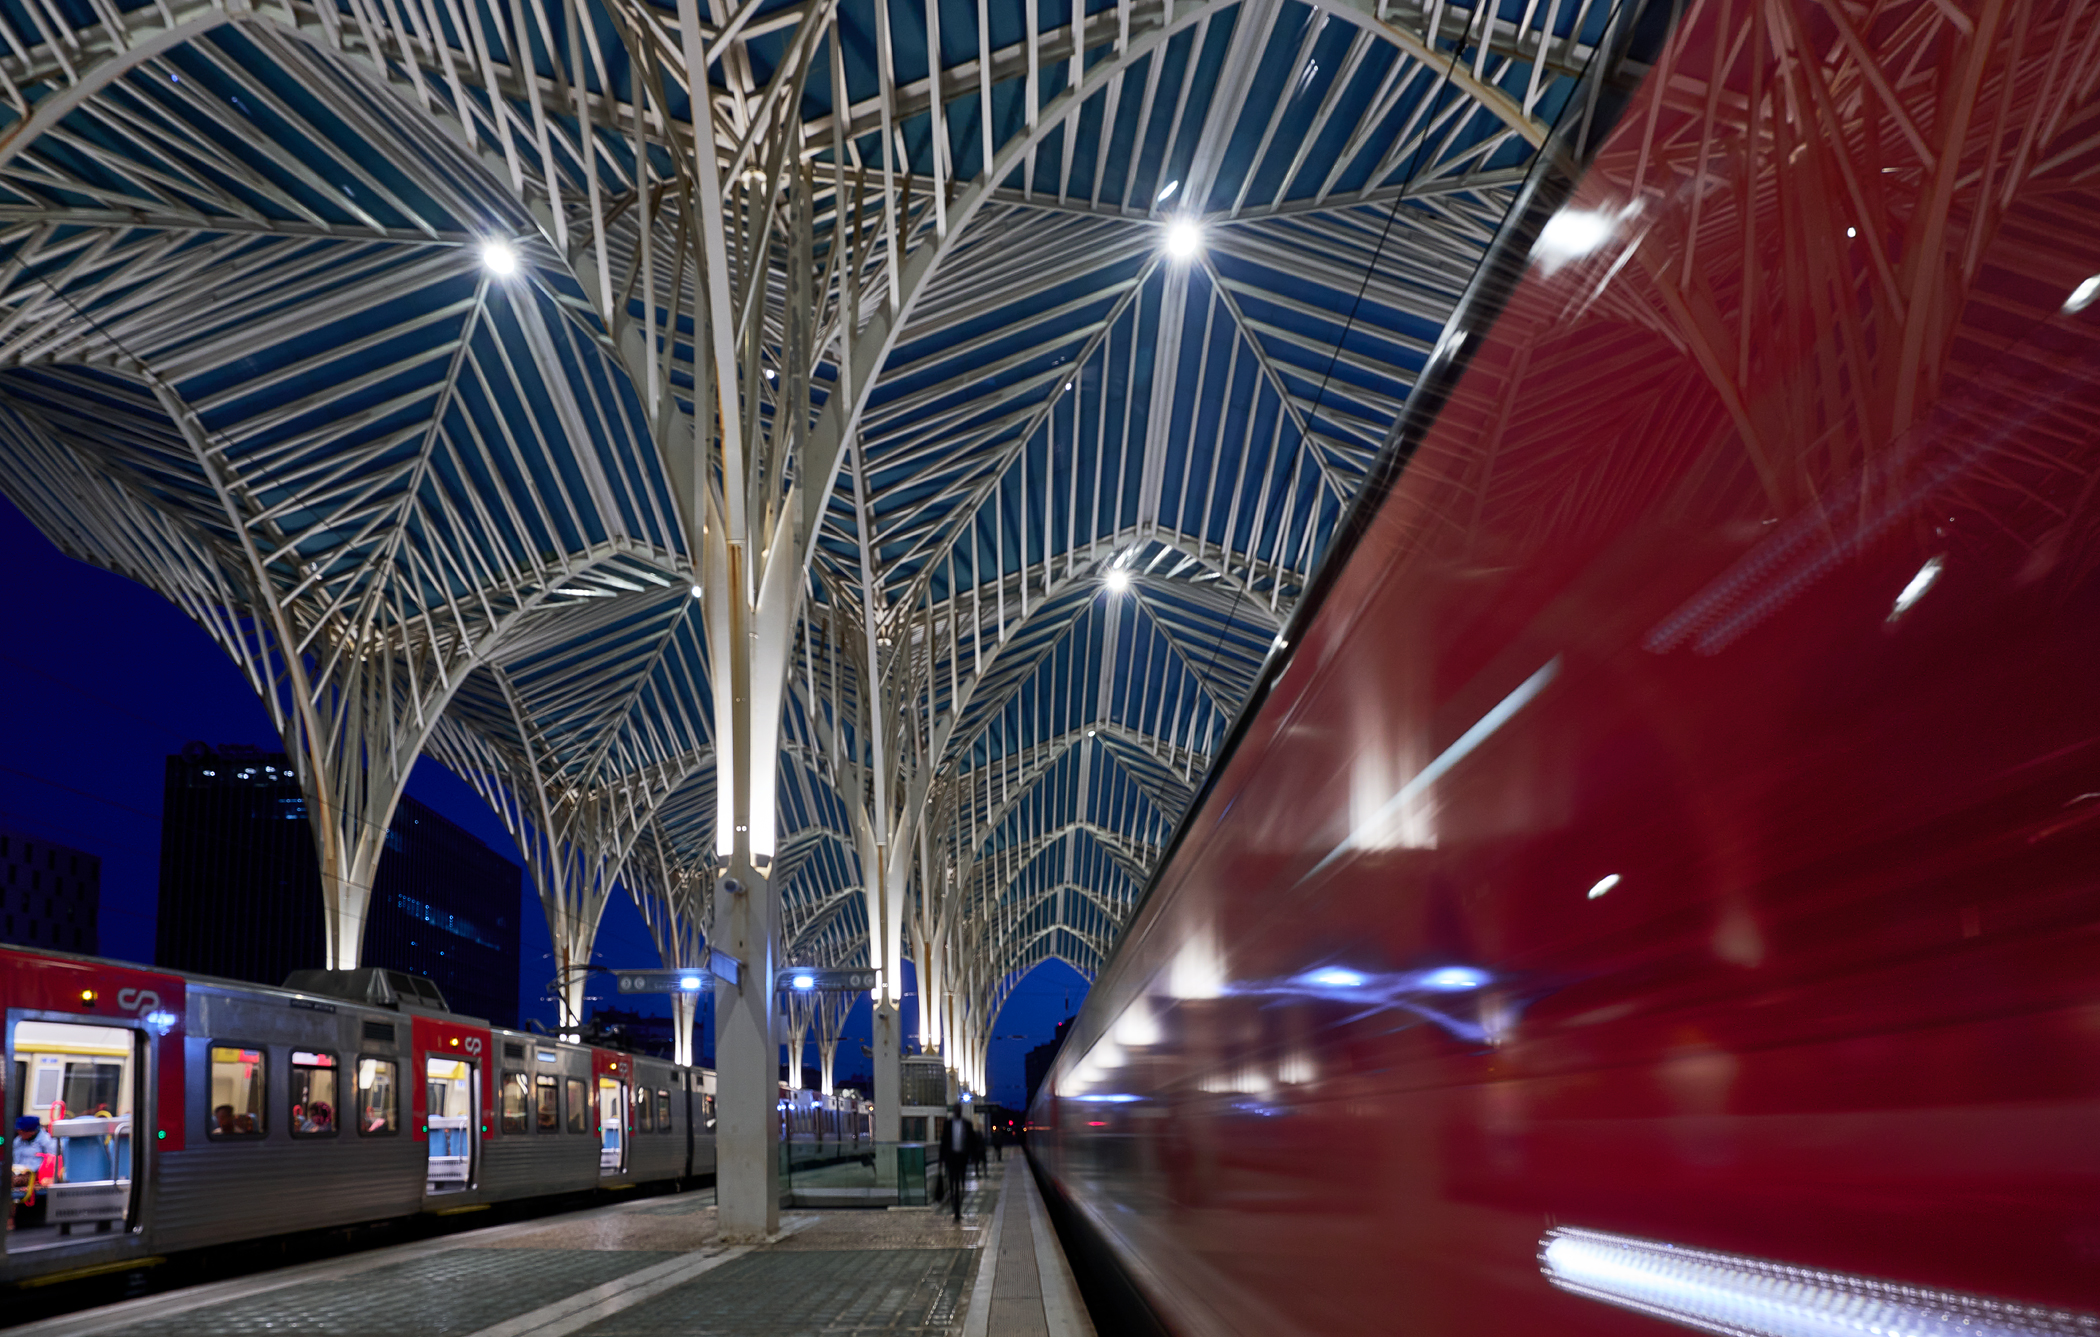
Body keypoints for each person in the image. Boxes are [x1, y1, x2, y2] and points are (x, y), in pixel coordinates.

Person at [942, 1106, 973, 1221]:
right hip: (951, 1159)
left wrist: (973, 1157)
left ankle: (958, 1209)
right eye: (956, 1109)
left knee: (960, 1185)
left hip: (962, 1159)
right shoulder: (948, 1124)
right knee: (952, 1185)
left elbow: (971, 1141)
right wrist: (941, 1161)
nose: (958, 1111)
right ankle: (955, 1210)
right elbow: (944, 1142)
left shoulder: (967, 1124)